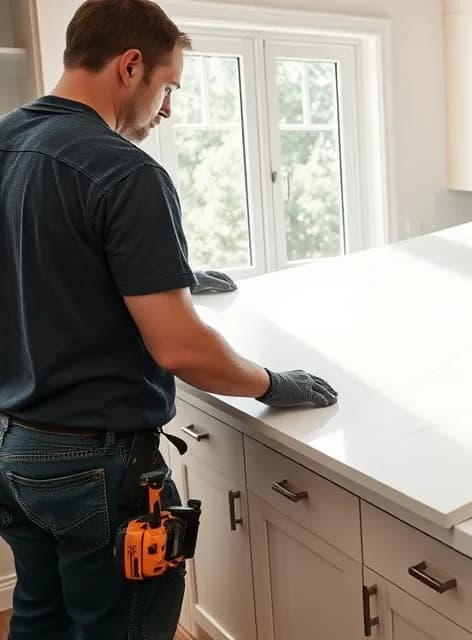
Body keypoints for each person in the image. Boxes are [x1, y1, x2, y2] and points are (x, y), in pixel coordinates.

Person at [0, 1, 337, 637]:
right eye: (169, 87)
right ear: (131, 67)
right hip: (93, 467)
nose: (169, 110)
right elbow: (181, 351)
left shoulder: (8, 140)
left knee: (40, 621)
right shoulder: (123, 171)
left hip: (13, 450)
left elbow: (40, 263)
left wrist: (163, 277)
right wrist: (272, 383)